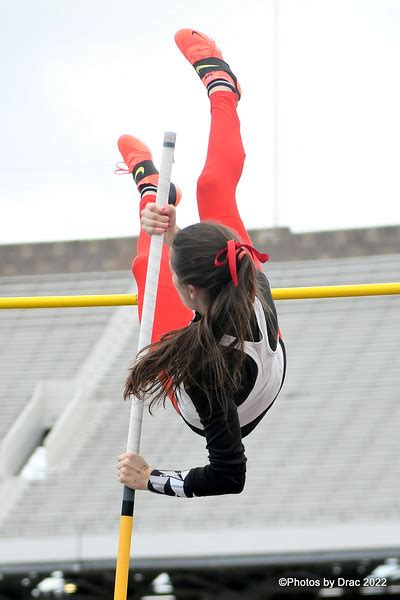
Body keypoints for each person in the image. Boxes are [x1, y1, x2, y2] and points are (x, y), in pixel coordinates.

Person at [116, 29, 286, 498]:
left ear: (191, 292)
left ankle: (153, 190)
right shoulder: (243, 267)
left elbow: (229, 477)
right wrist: (168, 228)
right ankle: (222, 93)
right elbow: (230, 475)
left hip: (238, 390)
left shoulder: (200, 372)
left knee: (143, 267)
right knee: (213, 191)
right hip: (241, 364)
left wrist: (149, 479)